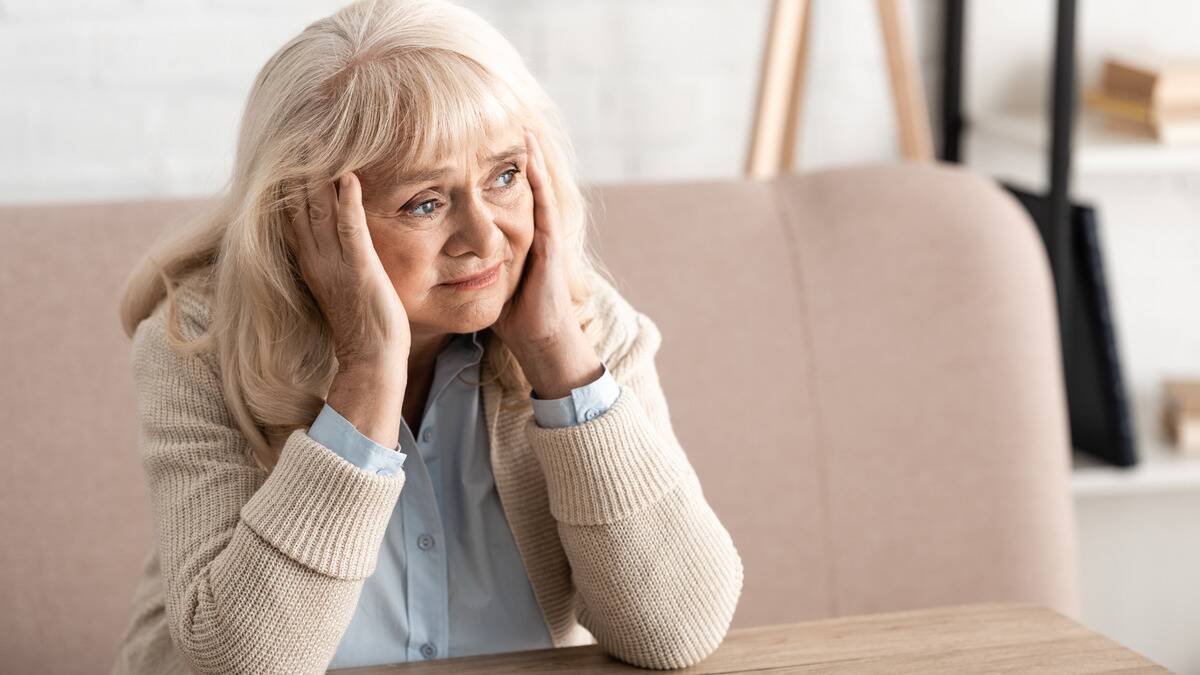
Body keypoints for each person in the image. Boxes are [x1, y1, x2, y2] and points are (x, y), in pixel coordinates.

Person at [109, 0, 743, 672]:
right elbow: (238, 662)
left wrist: (557, 353)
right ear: (308, 219)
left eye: (503, 176)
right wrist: (366, 376)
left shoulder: (586, 325)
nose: (483, 237)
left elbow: (678, 629)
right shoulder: (200, 345)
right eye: (427, 202)